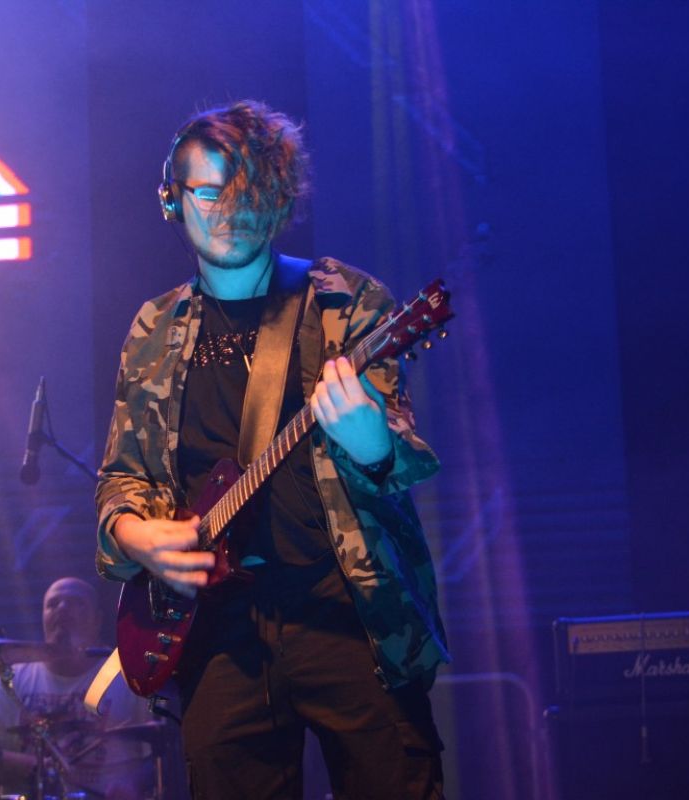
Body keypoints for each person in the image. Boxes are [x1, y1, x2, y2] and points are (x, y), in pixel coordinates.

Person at [95, 100, 451, 800]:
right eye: (208, 192)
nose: (229, 209)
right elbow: (121, 478)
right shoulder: (154, 328)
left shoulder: (345, 302)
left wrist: (372, 444)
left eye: (248, 190)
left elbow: (400, 458)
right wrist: (137, 537)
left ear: (280, 199)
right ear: (172, 201)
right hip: (219, 633)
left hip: (349, 615)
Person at [0, 577, 153, 799]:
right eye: (53, 604)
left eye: (76, 602)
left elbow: (164, 749)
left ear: (97, 620)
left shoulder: (130, 677)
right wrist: (36, 766)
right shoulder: (12, 680)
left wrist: (133, 783)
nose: (63, 608)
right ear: (43, 618)